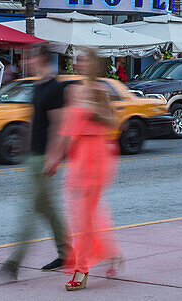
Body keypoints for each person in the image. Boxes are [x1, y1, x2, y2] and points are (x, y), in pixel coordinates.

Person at [0, 45, 72, 279]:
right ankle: (67, 252)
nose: (25, 61)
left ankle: (14, 262)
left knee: (30, 209)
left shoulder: (54, 88)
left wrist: (54, 155)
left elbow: (59, 125)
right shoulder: (36, 86)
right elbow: (36, 119)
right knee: (47, 208)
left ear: (41, 58)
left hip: (44, 158)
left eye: (29, 56)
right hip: (32, 156)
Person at [53, 48, 122, 291]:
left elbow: (113, 124)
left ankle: (82, 268)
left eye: (83, 60)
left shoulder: (99, 91)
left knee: (83, 214)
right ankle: (111, 252)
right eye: (76, 60)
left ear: (94, 64)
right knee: (84, 213)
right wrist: (55, 156)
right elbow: (67, 127)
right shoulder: (73, 90)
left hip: (98, 155)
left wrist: (95, 112)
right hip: (78, 156)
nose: (78, 63)